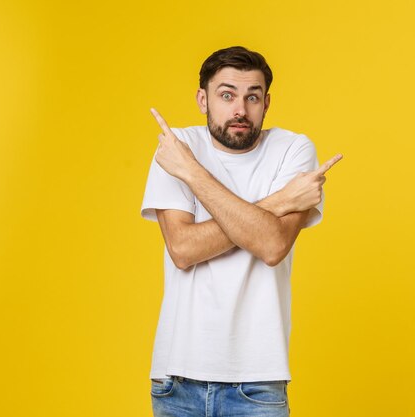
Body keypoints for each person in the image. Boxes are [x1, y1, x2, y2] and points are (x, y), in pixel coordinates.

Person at [141, 46, 341, 417]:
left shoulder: (293, 150)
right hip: (177, 378)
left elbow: (271, 244)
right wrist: (278, 201)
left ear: (266, 102)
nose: (240, 110)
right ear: (203, 99)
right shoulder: (177, 149)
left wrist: (191, 174)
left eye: (253, 97)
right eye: (227, 95)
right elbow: (183, 249)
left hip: (258, 381)